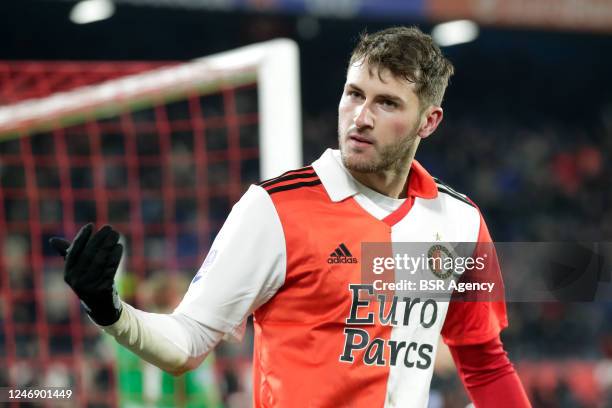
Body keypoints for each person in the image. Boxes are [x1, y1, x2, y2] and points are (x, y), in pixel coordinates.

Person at [51, 26, 531, 407]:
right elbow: (188, 341)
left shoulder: (460, 222)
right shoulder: (275, 208)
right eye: (354, 93)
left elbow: (484, 363)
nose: (361, 116)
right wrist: (108, 308)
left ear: (430, 121)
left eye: (386, 103)